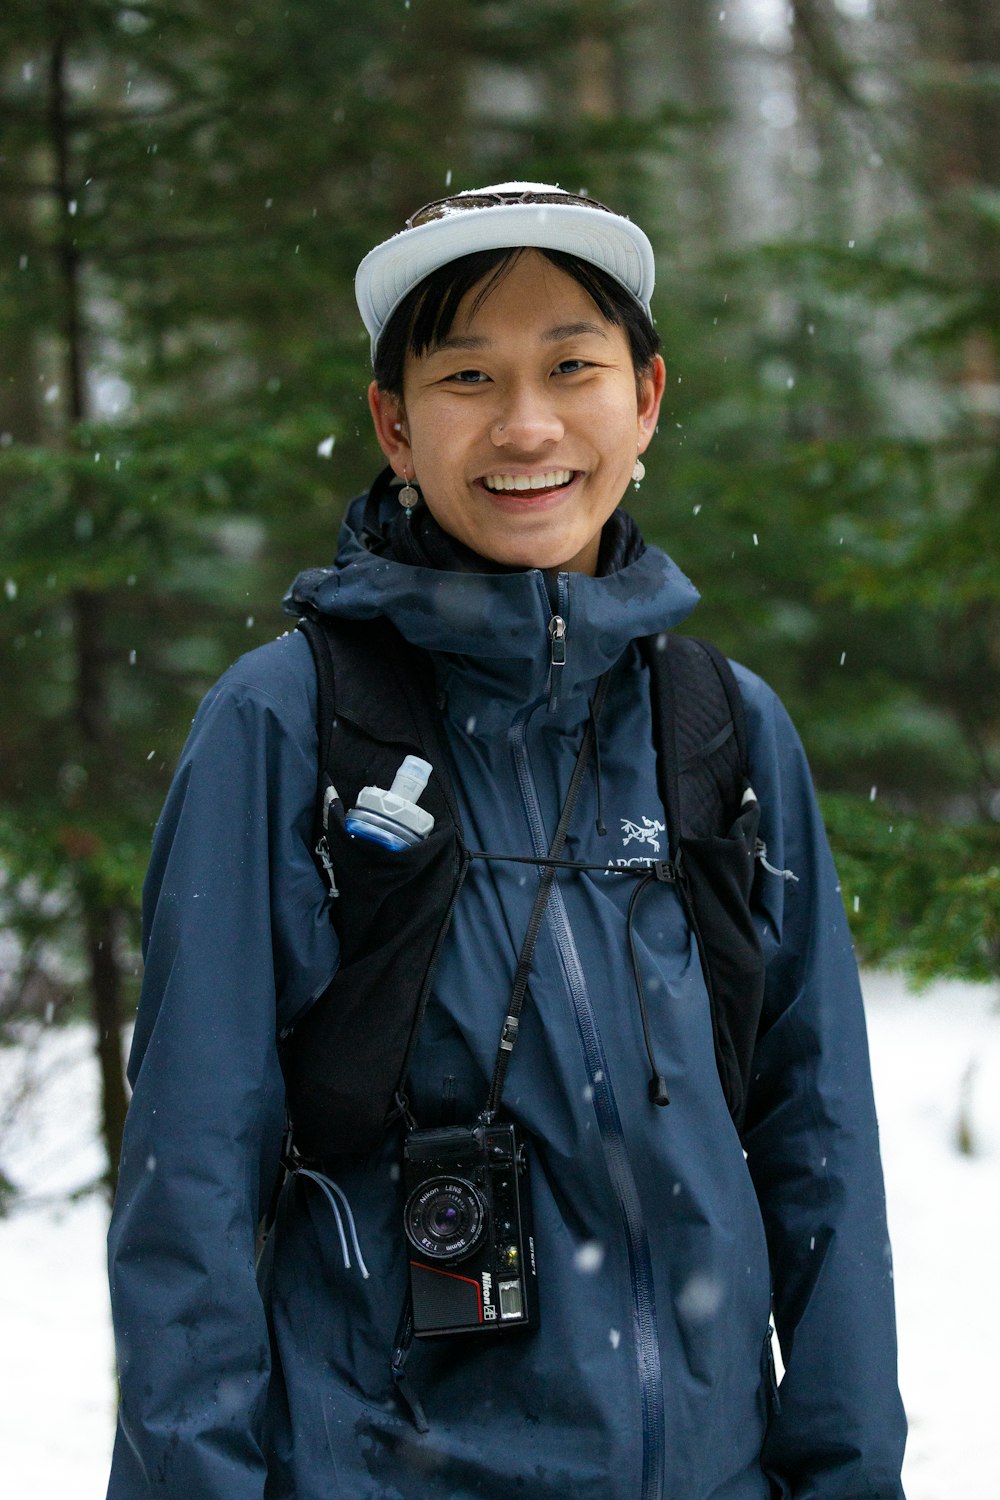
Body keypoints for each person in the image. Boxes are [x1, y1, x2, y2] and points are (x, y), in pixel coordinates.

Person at [106, 184, 907, 1500]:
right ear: (395, 424)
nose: (527, 424)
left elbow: (822, 1162)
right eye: (468, 374)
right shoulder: (291, 724)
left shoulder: (723, 732)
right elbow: (192, 1177)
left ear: (647, 400)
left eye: (572, 367)